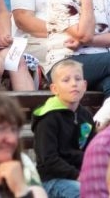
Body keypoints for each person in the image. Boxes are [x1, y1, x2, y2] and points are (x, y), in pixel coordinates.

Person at [30, 58, 95, 198]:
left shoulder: (86, 116)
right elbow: (49, 160)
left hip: (81, 175)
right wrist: (78, 176)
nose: (73, 84)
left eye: (78, 79)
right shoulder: (48, 118)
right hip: (52, 179)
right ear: (54, 89)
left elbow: (92, 152)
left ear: (84, 85)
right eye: (66, 80)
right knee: (85, 193)